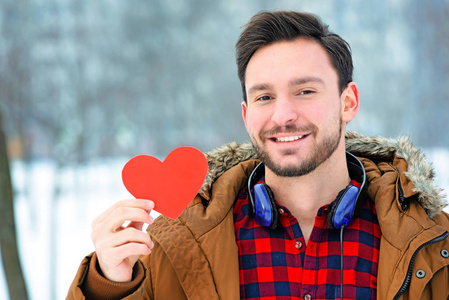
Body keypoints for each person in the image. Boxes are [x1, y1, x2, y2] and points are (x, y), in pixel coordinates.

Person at [67, 11, 449, 300]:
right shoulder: (173, 243)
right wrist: (109, 284)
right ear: (247, 115)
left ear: (348, 102)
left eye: (305, 91)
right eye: (264, 97)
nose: (283, 115)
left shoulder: (434, 244)